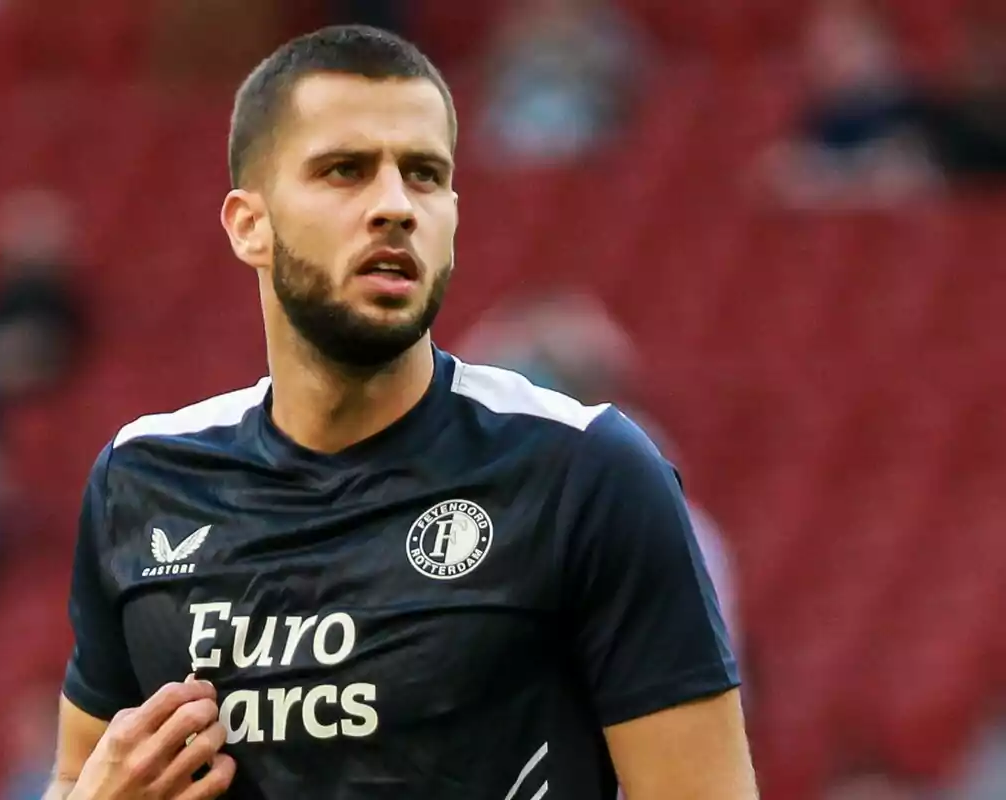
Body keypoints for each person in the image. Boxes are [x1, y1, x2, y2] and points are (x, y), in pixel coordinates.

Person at [45, 25, 754, 800]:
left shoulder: (583, 471)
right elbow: (83, 773)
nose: (395, 206)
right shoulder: (143, 479)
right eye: (345, 171)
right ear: (250, 224)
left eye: (423, 175)